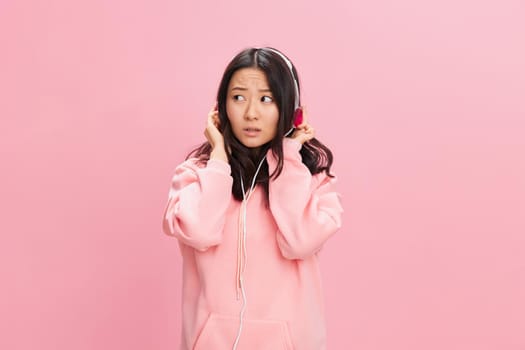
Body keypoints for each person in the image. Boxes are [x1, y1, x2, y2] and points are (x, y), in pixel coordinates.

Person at [162, 47, 343, 350]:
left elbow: (299, 242)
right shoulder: (194, 176)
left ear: (291, 110)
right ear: (220, 108)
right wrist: (218, 158)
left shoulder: (313, 182)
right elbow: (200, 232)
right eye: (238, 97)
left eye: (266, 99)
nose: (251, 113)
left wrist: (289, 157)